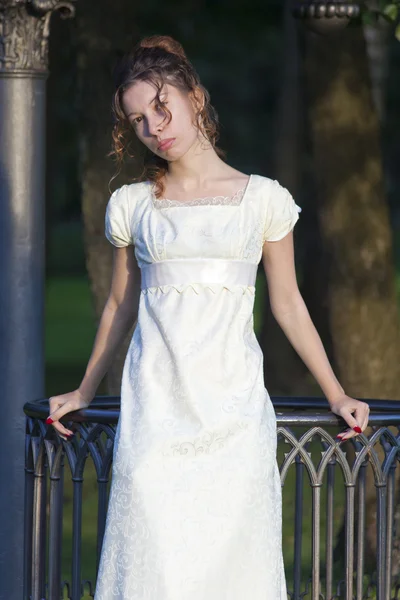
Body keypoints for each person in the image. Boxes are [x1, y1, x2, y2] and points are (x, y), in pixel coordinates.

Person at [46, 34, 370, 600]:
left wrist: (337, 393)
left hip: (233, 422)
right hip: (155, 423)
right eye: (139, 119)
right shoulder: (133, 205)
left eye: (162, 105)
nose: (154, 126)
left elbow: (288, 304)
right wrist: (84, 388)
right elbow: (120, 305)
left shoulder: (264, 200)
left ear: (195, 95)